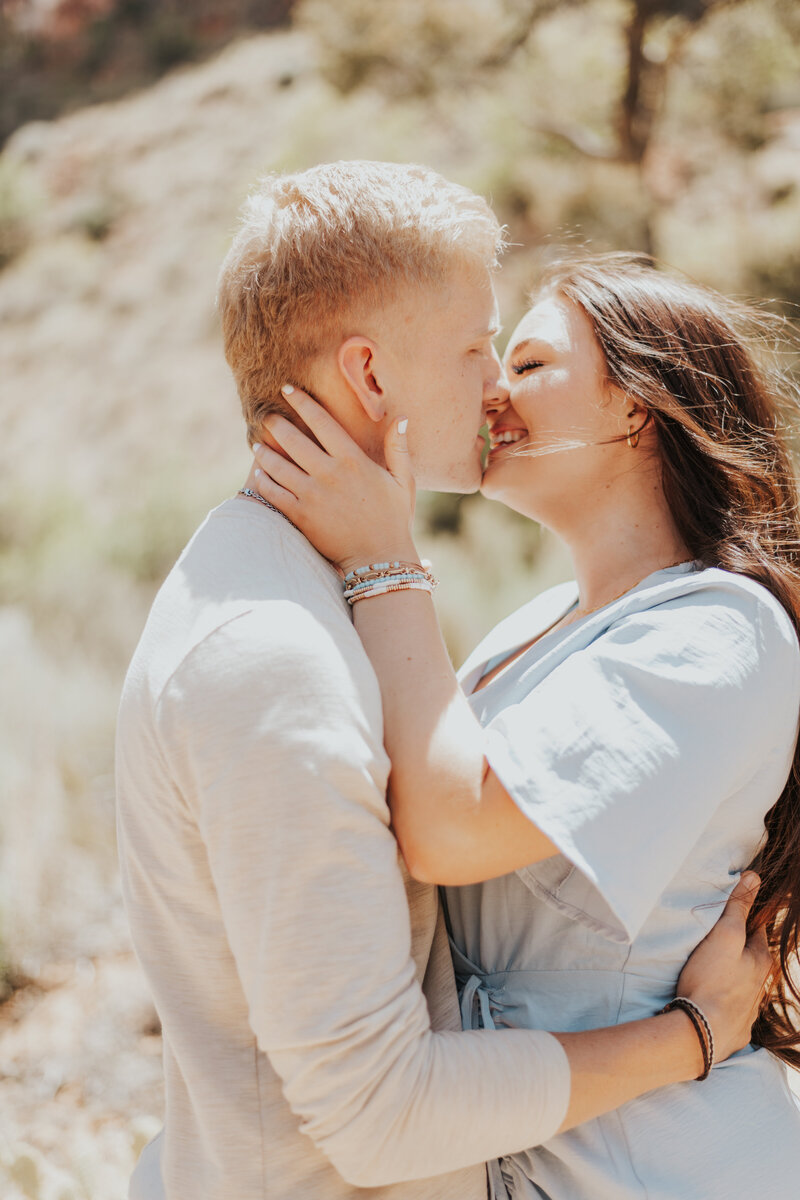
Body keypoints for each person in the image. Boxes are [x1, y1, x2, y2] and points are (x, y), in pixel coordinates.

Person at [116, 165, 771, 1200]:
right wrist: (688, 1035)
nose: (494, 391)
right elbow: (367, 1093)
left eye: (521, 356)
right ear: (371, 378)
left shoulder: (704, 630)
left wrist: (386, 566)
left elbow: (450, 833)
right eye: (480, 347)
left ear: (640, 411)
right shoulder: (275, 654)